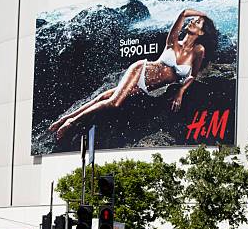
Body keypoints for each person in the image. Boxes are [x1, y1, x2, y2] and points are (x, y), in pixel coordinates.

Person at [49, 10, 218, 139]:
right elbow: (183, 13)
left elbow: (192, 76)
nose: (193, 22)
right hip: (141, 70)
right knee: (114, 102)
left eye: (197, 23)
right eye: (194, 20)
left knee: (104, 97)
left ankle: (63, 118)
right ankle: (71, 122)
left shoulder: (198, 50)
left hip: (147, 88)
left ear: (201, 33)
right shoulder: (173, 41)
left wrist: (181, 92)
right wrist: (203, 14)